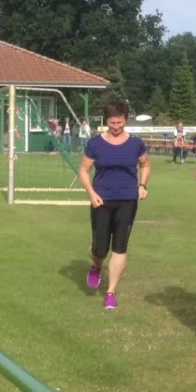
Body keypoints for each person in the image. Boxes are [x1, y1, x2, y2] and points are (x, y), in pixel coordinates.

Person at [78, 101, 150, 310]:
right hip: (102, 200)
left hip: (127, 200)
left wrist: (142, 185)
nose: (116, 127)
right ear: (106, 121)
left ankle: (110, 293)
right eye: (112, 123)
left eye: (119, 123)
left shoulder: (136, 144)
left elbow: (145, 164)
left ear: (126, 120)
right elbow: (84, 171)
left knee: (120, 247)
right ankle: (96, 265)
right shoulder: (95, 144)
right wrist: (91, 193)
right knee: (100, 248)